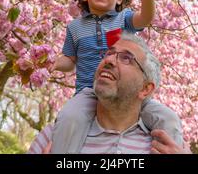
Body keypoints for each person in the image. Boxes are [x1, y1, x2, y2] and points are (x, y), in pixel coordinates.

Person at [49, 0, 182, 153]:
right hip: (88, 91)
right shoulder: (74, 28)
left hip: (125, 93)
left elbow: (146, 17)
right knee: (70, 118)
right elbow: (70, 61)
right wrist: (51, 63)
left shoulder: (124, 19)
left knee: (167, 117)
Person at [29, 33, 189, 154]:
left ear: (145, 89)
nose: (110, 60)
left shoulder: (167, 148)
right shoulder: (55, 137)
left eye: (126, 58)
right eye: (109, 53)